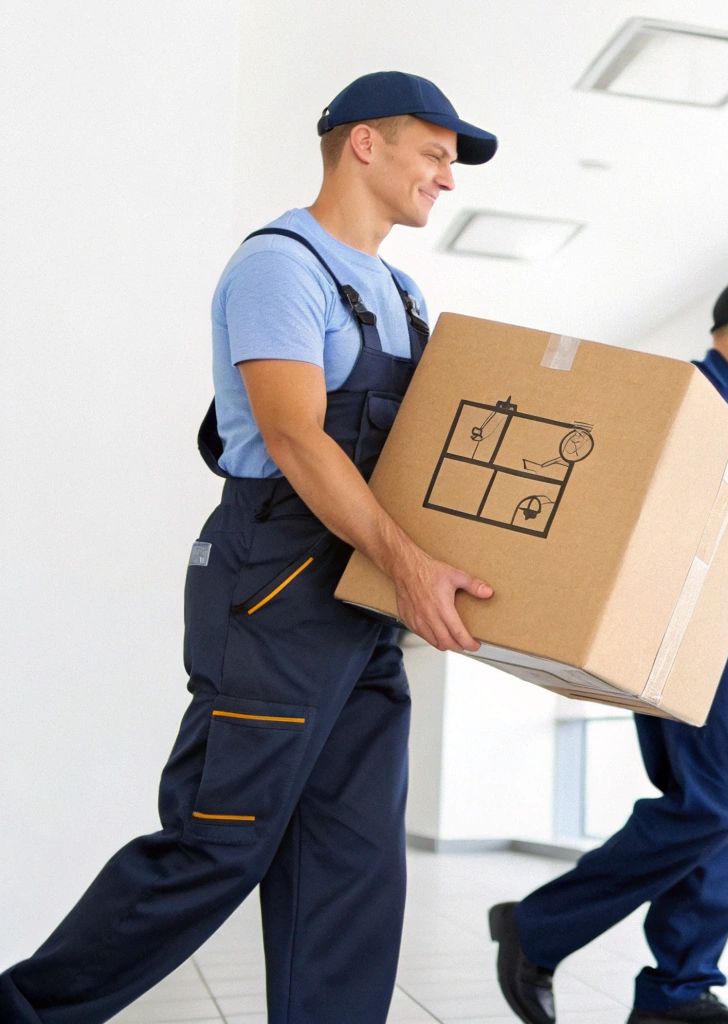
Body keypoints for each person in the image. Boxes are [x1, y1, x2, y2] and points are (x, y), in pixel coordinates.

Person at [0, 71, 498, 1024]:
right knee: (216, 843)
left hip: (360, 600)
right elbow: (296, 436)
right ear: (364, 144)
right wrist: (408, 564)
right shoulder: (281, 265)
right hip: (274, 588)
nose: (447, 177)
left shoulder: (402, 292)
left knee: (351, 863)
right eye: (434, 153)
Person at [490, 273, 728, 1024]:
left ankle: (678, 991)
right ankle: (538, 926)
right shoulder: (689, 395)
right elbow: (632, 508)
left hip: (727, 631)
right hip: (684, 630)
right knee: (714, 804)